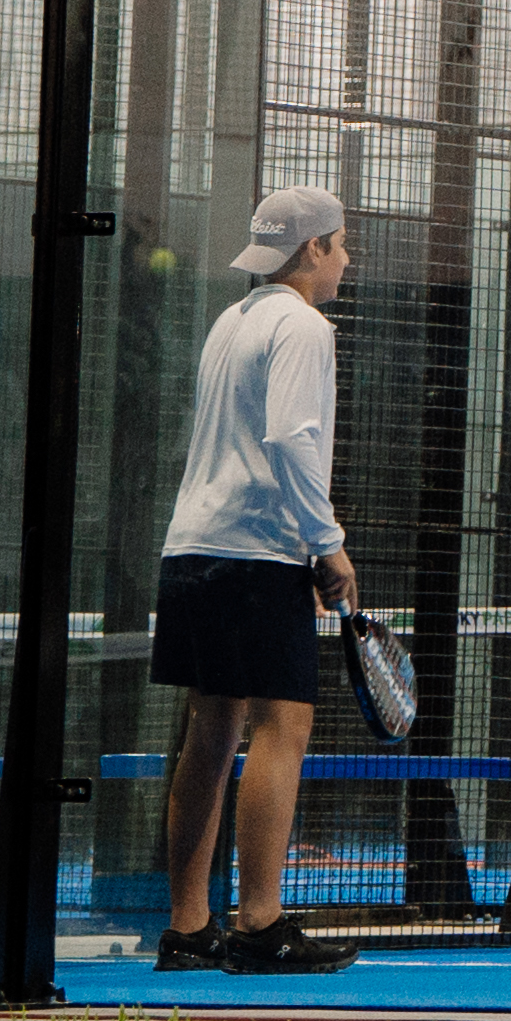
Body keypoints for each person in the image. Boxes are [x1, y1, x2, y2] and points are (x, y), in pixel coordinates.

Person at [153, 187, 365, 975]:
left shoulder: (231, 321)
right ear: (310, 250)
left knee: (211, 732)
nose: (346, 258)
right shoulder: (303, 325)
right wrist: (325, 544)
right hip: (257, 555)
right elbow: (289, 435)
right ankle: (260, 923)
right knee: (285, 726)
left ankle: (188, 928)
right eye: (340, 243)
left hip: (193, 552)